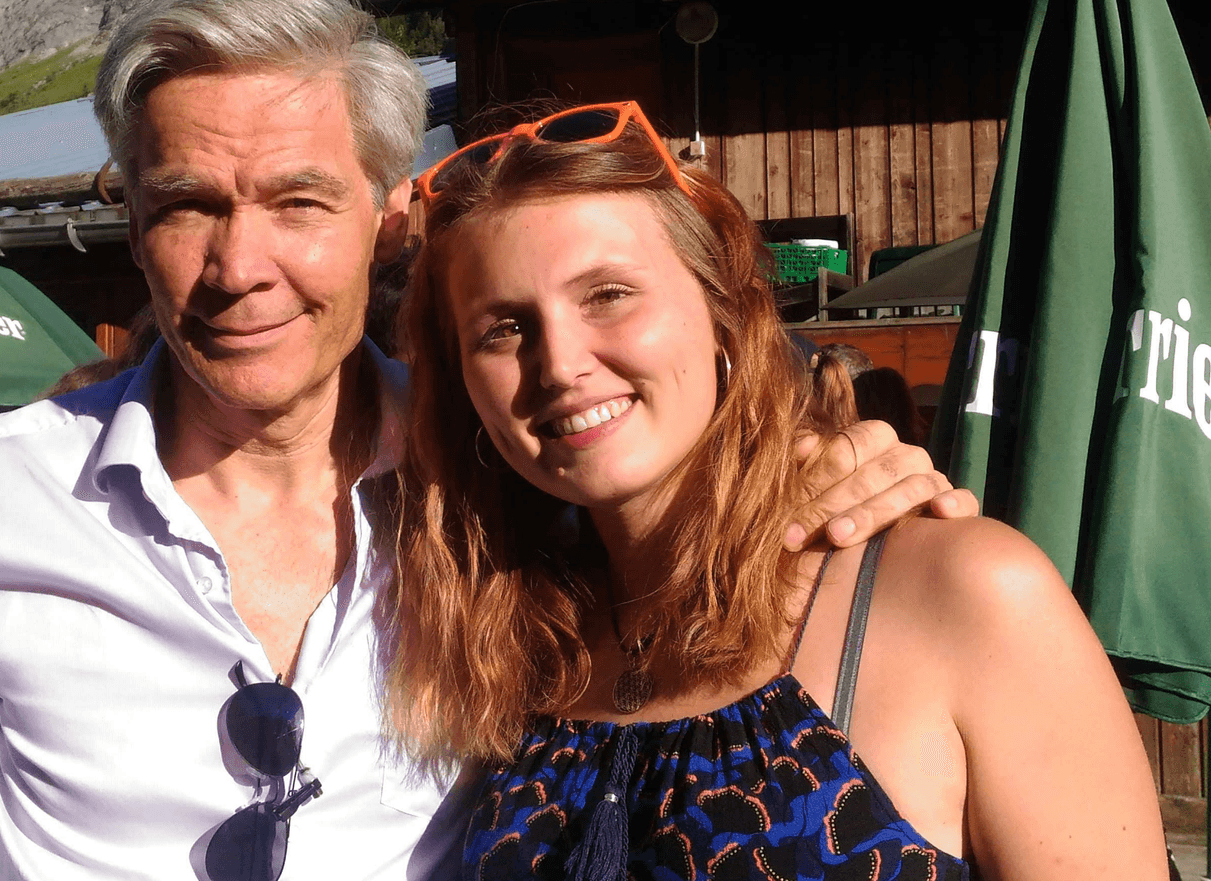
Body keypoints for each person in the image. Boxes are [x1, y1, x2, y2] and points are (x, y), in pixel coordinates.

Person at [0, 0, 977, 881]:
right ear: (131, 223)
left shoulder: (503, 482)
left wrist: (833, 470)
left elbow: (685, 497)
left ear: (386, 223)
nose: (239, 266)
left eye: (299, 201)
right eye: (187, 206)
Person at [386, 102, 1165, 879]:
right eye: (503, 330)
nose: (560, 364)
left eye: (608, 294)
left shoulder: (963, 594)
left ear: (720, 310)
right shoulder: (511, 639)